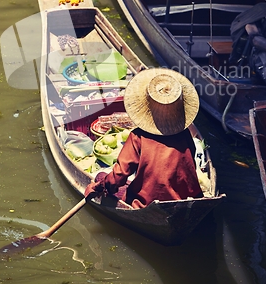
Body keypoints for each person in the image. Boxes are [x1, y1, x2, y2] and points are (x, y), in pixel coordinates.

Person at [85, 68, 203, 208]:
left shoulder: (138, 136)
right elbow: (189, 166)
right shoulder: (185, 134)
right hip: (182, 200)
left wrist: (99, 186)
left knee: (101, 177)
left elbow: (119, 175)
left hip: (145, 204)